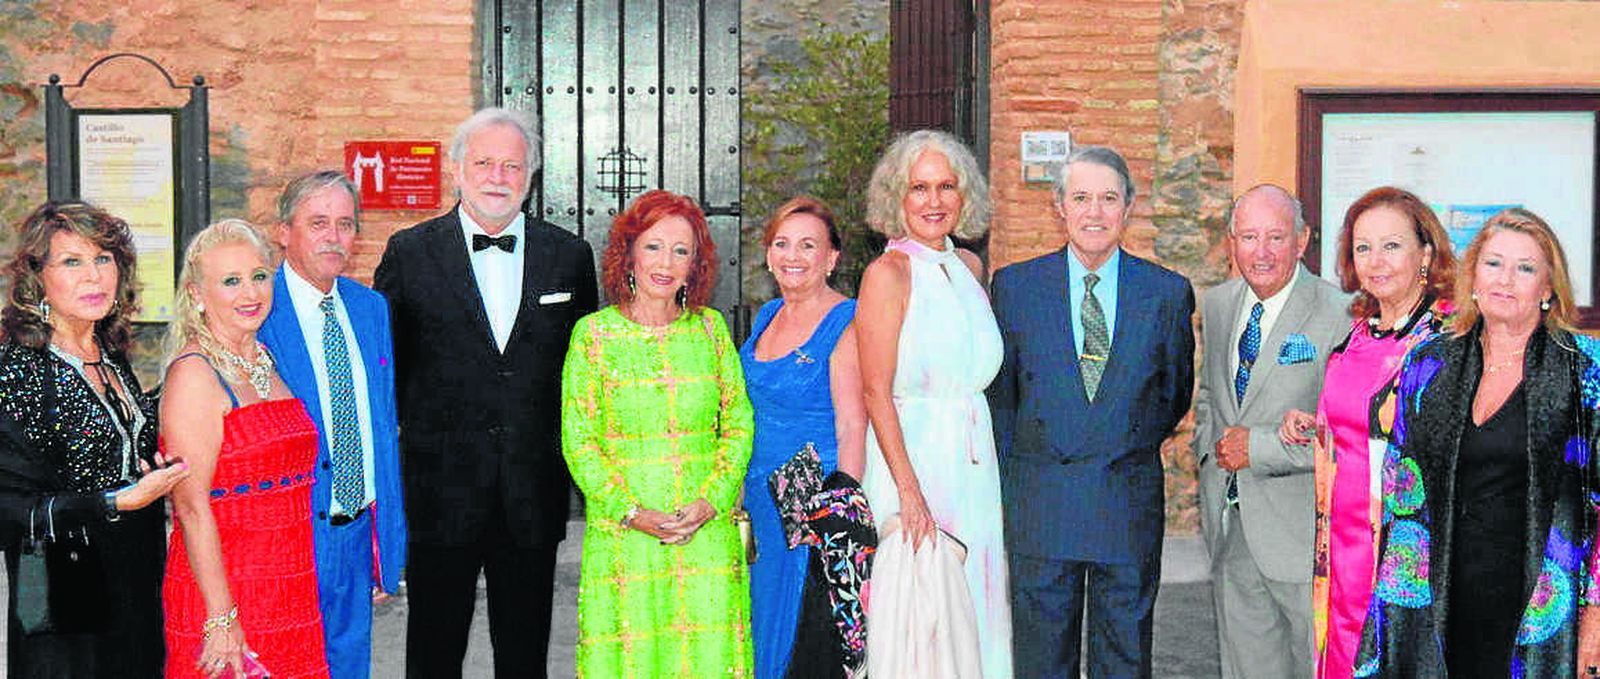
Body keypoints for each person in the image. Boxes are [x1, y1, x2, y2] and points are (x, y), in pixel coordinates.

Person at [374, 107, 598, 678]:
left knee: (525, 656)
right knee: (432, 652)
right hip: (440, 493)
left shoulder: (569, 255)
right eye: (483, 163)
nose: (498, 176)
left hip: (531, 493)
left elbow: (586, 375)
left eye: (512, 165)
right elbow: (386, 372)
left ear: (530, 176)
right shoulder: (409, 252)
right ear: (456, 169)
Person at [1356, 208, 1600, 677]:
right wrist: (1390, 613)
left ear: (1548, 287)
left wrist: (1594, 617)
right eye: (1493, 263)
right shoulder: (1429, 364)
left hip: (1540, 604)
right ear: (1473, 276)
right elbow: (1400, 498)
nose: (1505, 279)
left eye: (1525, 268)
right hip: (1440, 597)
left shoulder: (1583, 372)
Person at [989, 145, 1195, 678]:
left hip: (1125, 501)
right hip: (1041, 505)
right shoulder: (1015, 288)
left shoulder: (1167, 293)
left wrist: (1114, 440)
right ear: (1059, 206)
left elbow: (1173, 395)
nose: (1095, 212)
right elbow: (1004, 399)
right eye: (1081, 198)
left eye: (1108, 198)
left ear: (1129, 206)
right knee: (1041, 658)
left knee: (1123, 655)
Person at [560, 189, 755, 676]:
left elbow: (737, 423)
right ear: (628, 254)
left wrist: (712, 499)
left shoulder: (710, 331)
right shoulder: (593, 336)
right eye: (653, 246)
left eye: (681, 250)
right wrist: (630, 512)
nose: (665, 262)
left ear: (696, 265)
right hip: (625, 538)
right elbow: (579, 440)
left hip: (705, 535)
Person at [0, 202, 189, 677]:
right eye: (72, 262)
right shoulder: (18, 369)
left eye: (103, 259)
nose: (94, 277)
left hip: (134, 571)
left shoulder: (106, 352)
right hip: (61, 581)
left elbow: (121, 437)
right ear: (36, 278)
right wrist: (113, 501)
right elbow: (9, 501)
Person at [1273, 187, 1455, 679]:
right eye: (1363, 247)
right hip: (1340, 546)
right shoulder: (1357, 331)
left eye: (1392, 245)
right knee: (1342, 653)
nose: (1376, 261)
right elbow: (1356, 421)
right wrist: (1313, 425)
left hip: (1404, 550)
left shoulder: (1449, 342)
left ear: (1426, 253)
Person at [856, 129, 1012, 677]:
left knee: (975, 605)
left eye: (946, 186)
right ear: (896, 197)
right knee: (920, 627)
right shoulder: (887, 274)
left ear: (964, 196)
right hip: (913, 462)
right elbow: (874, 390)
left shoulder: (970, 268)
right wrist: (909, 492)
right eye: (919, 188)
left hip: (974, 463)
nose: (934, 201)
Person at [161, 219, 329, 678]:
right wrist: (221, 618)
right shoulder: (194, 375)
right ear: (197, 294)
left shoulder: (266, 360)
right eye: (230, 281)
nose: (249, 293)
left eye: (258, 276)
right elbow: (191, 508)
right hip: (225, 594)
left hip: (290, 587)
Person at [1194, 185, 1349, 679]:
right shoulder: (1218, 306)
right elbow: (1209, 399)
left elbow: (1347, 434)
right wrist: (1210, 455)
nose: (1261, 252)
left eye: (1276, 237)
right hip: (1231, 529)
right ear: (1231, 242)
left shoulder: (1342, 314)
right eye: (1249, 237)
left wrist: (1256, 449)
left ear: (1302, 241)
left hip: (1304, 539)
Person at [259, 170, 406, 679]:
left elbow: (381, 427)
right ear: (284, 231)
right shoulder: (257, 310)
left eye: (345, 224)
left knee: (348, 665)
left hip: (353, 532)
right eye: (318, 222)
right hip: (289, 535)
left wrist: (387, 541)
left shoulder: (370, 309)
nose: (333, 236)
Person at [739, 196, 868, 678]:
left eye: (808, 245)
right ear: (769, 253)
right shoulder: (767, 313)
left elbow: (854, 422)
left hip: (809, 504)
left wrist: (838, 520)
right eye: (782, 243)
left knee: (807, 637)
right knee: (759, 623)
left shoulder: (848, 321)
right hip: (757, 502)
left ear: (832, 258)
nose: (792, 256)